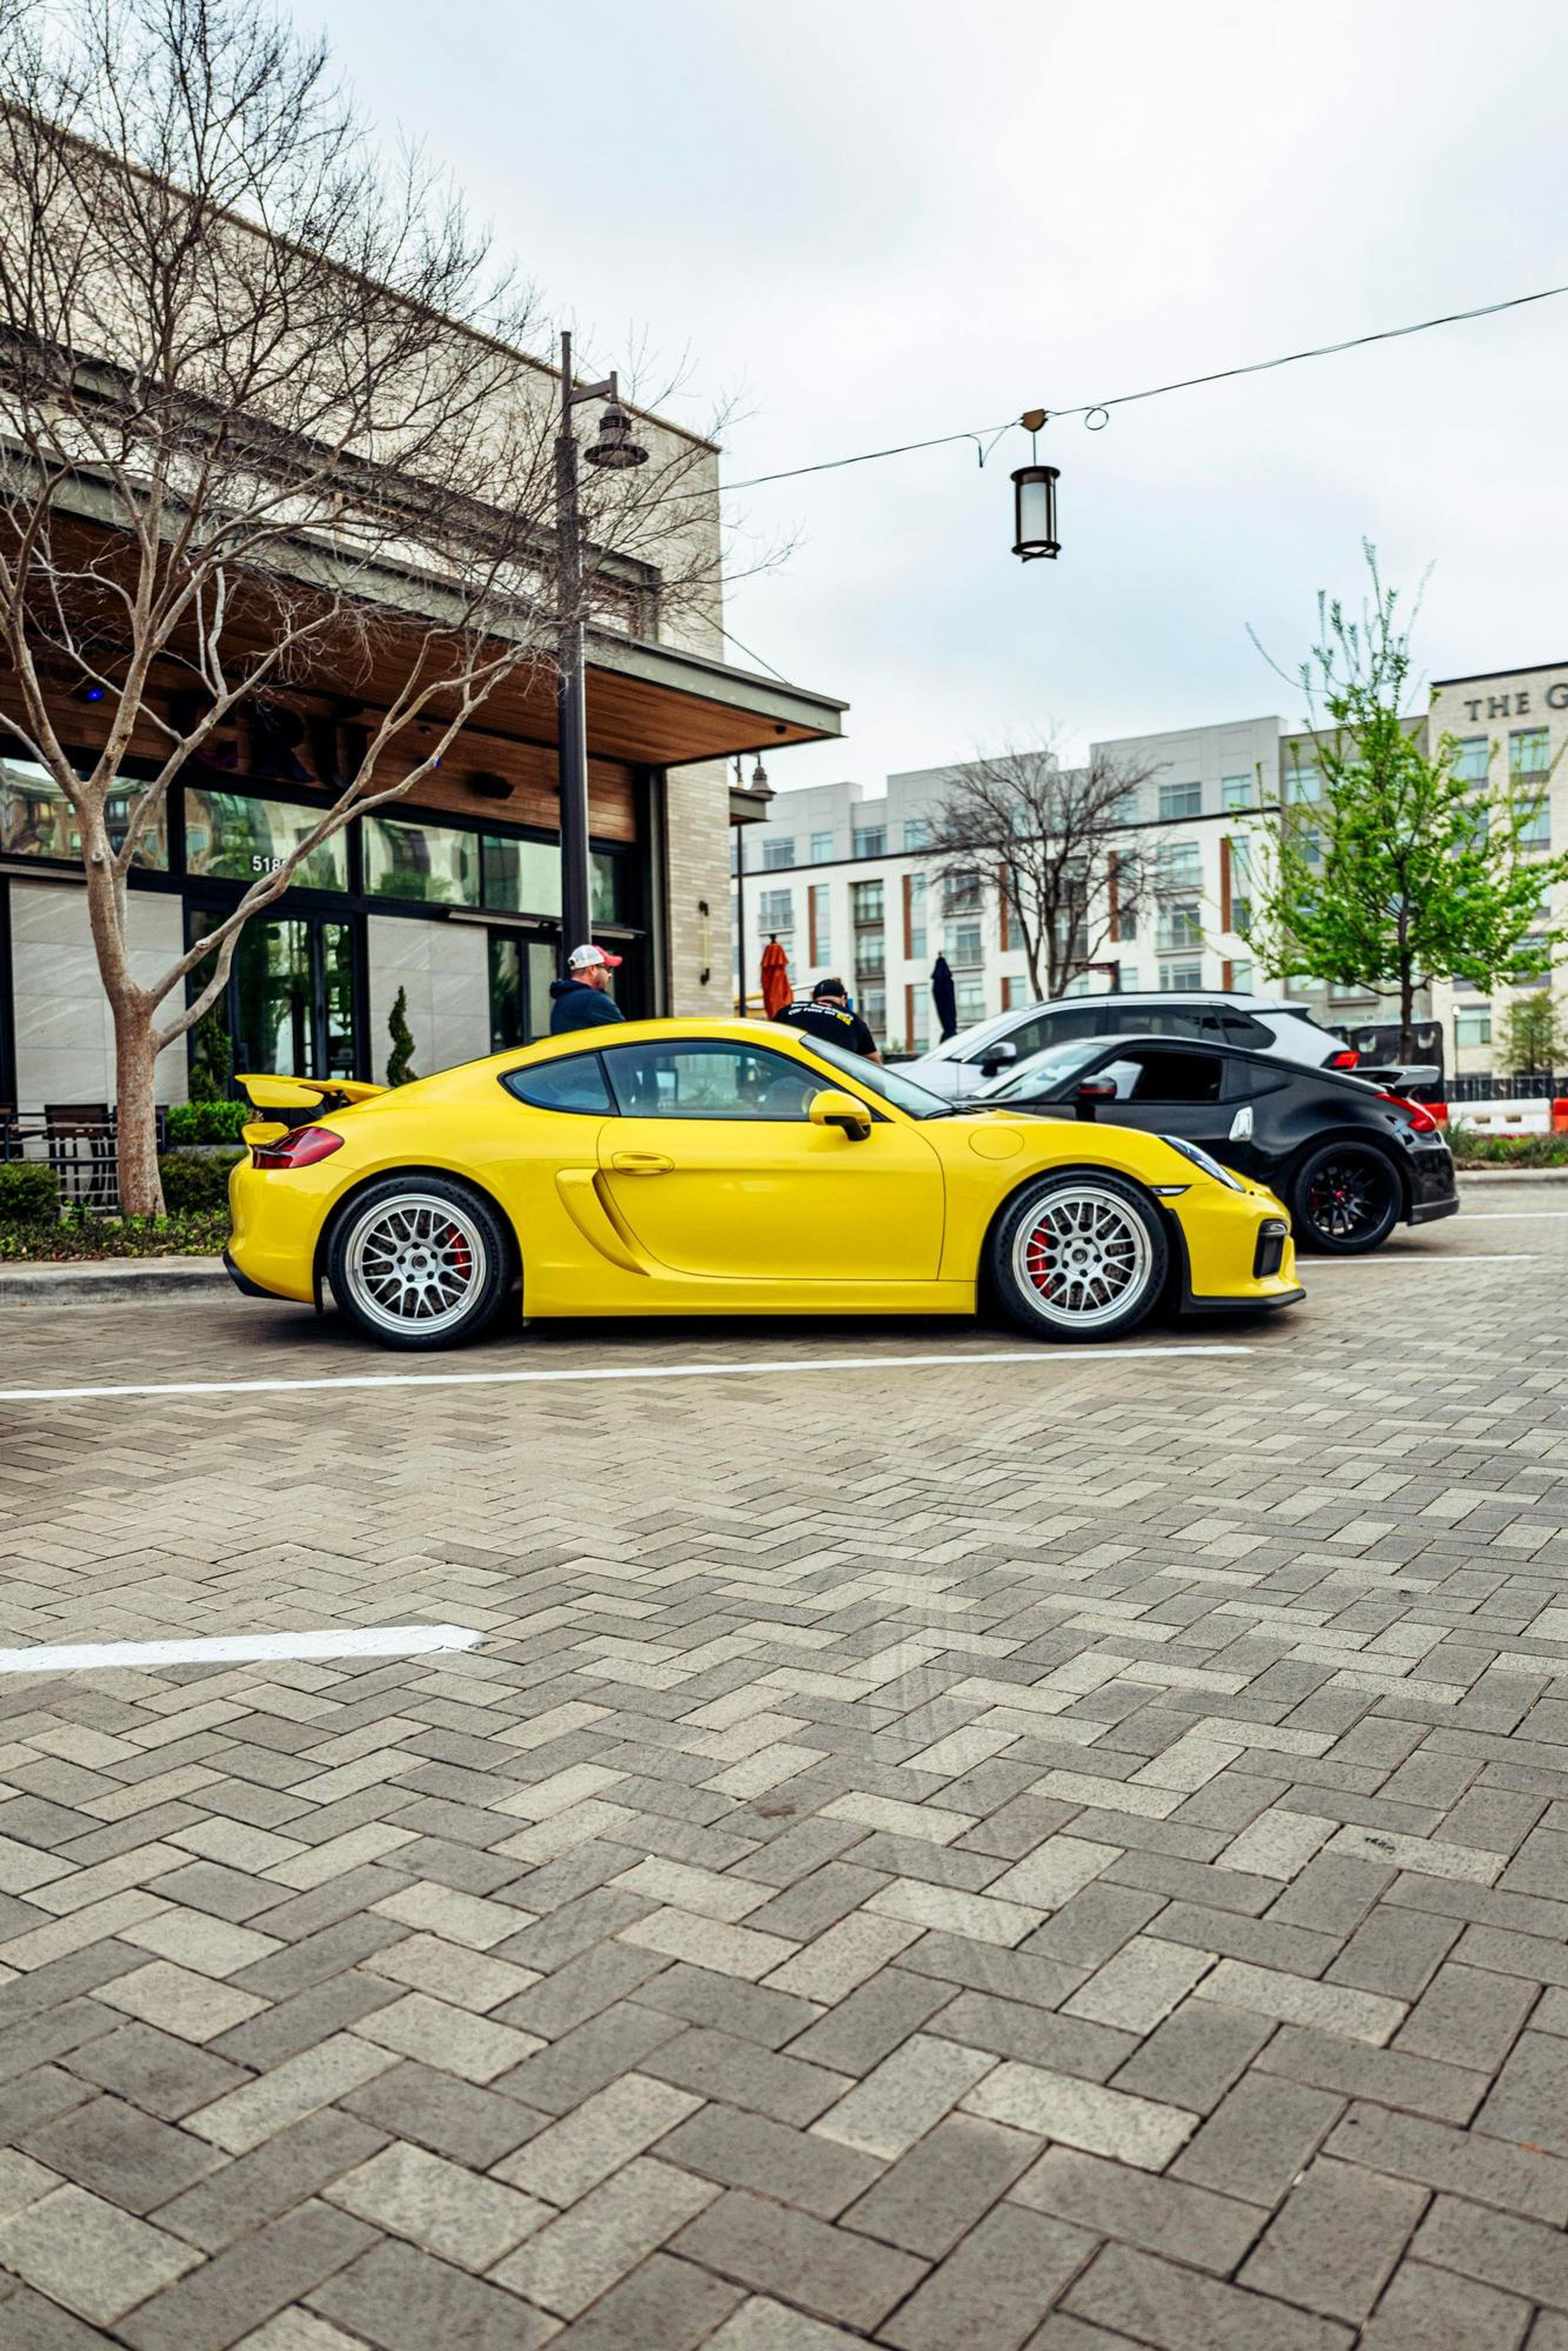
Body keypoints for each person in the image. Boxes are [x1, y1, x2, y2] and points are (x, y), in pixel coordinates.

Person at [773, 976, 880, 1061]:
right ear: (843, 999)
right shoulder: (853, 1019)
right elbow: (873, 1060)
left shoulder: (787, 1011)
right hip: (831, 1081)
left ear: (813, 998)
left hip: (787, 1073)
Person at [548, 944, 626, 1035]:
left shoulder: (563, 999)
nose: (610, 975)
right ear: (592, 969)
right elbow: (625, 1038)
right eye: (608, 968)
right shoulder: (594, 1000)